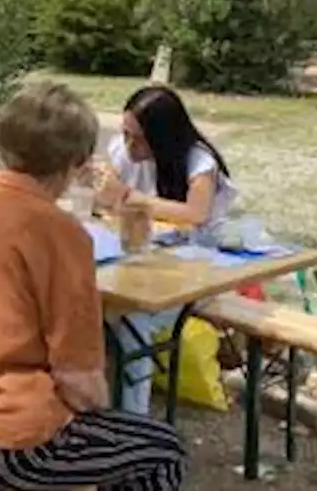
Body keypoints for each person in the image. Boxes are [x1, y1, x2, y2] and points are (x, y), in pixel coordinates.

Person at [0, 80, 187, 491]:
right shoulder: (60, 233)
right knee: (160, 449)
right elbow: (80, 381)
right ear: (77, 162)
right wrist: (97, 422)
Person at [94, 84, 238, 415]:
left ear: (163, 138)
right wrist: (99, 184)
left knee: (133, 320)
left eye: (139, 138)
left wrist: (129, 196)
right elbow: (105, 203)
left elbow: (194, 214)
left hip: (193, 274)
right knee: (85, 305)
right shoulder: (122, 150)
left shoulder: (198, 162)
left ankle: (135, 420)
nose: (130, 145)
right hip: (139, 261)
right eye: (126, 133)